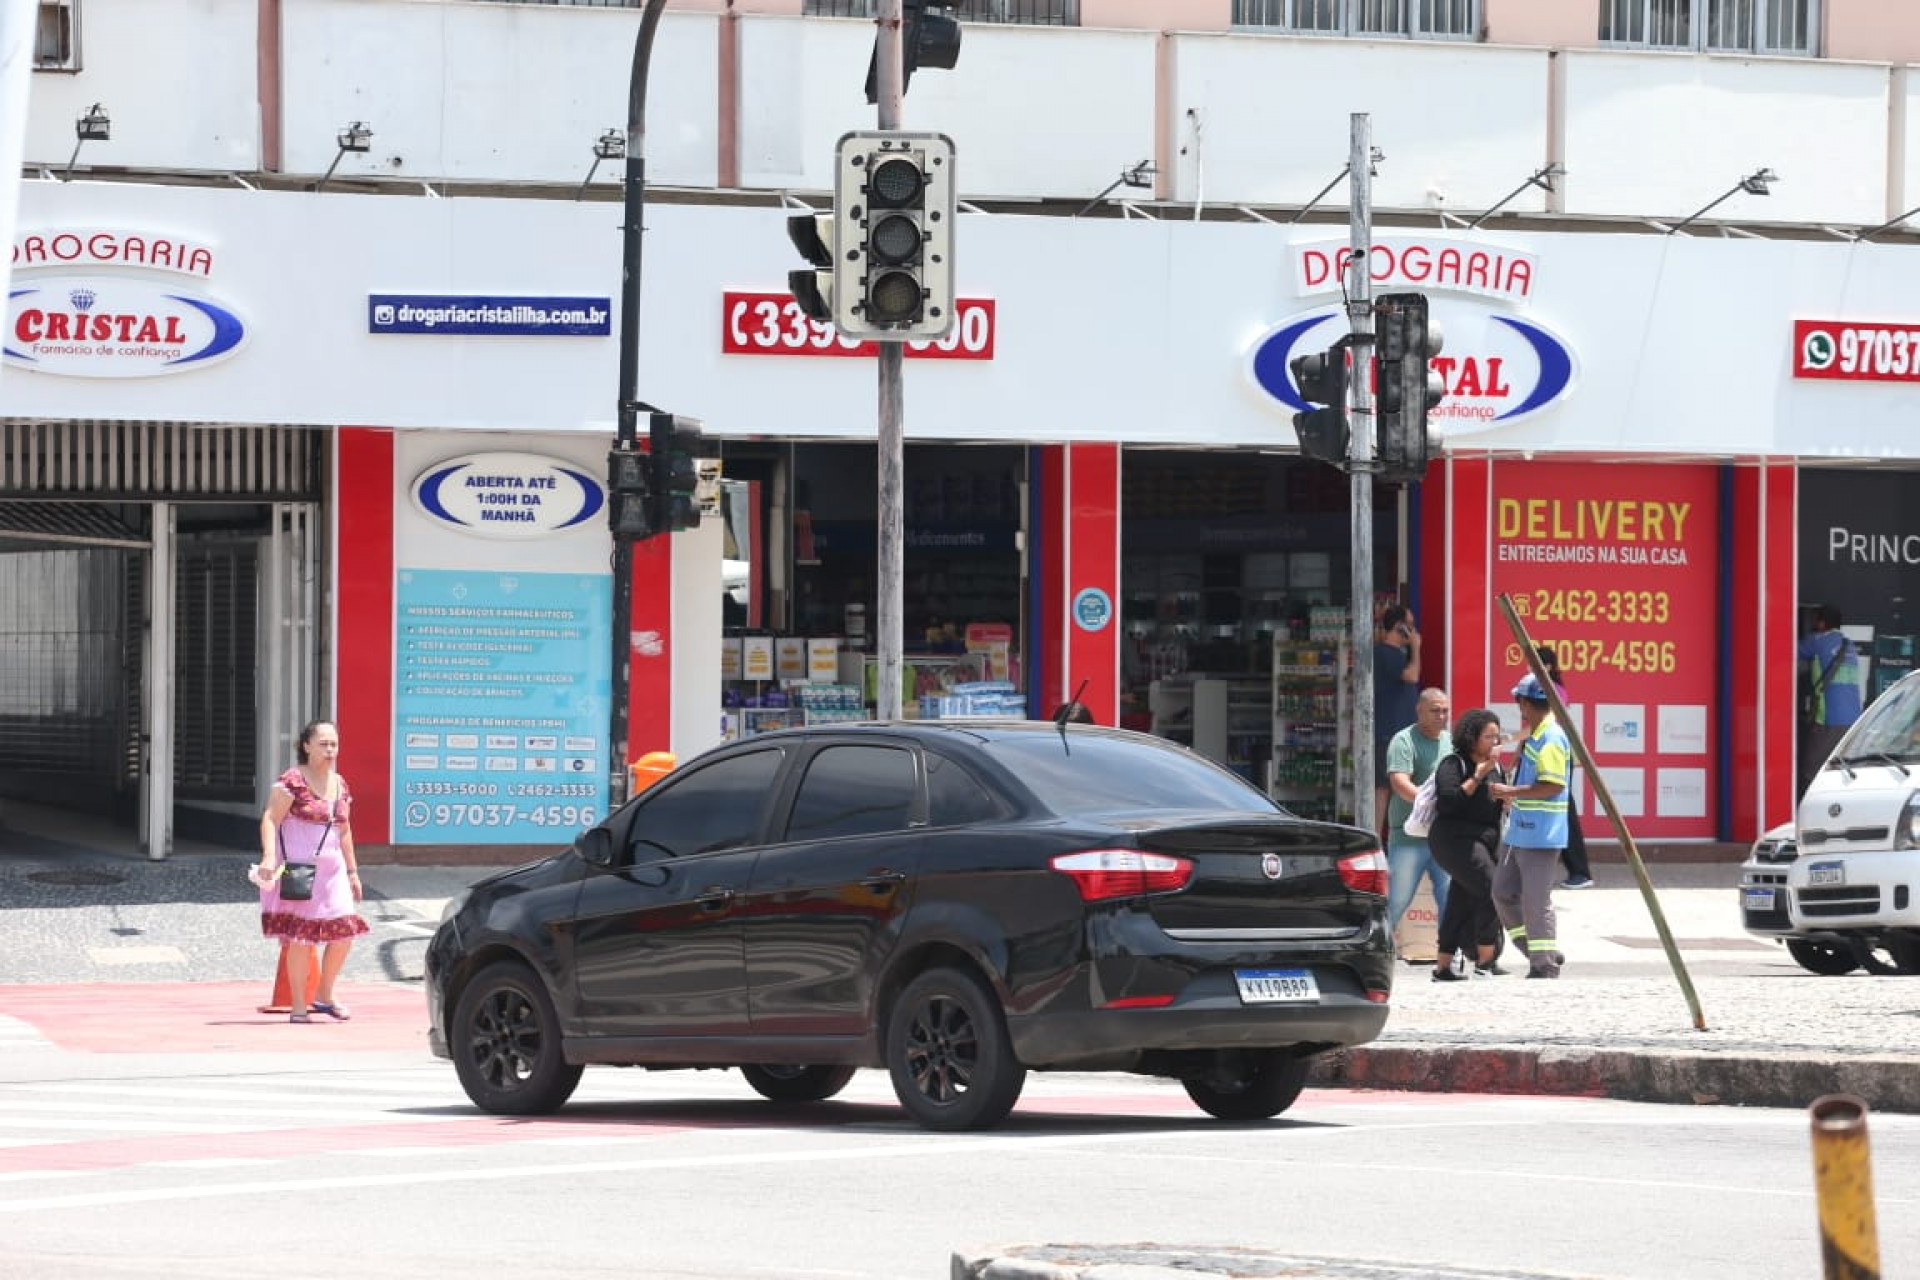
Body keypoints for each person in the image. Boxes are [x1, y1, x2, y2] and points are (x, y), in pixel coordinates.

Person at [255, 720, 368, 1023]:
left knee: (344, 931)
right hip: (299, 869)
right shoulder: (292, 782)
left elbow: (345, 830)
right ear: (306, 746)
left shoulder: (341, 784)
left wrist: (353, 872)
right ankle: (298, 1005)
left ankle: (324, 993)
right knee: (301, 937)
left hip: (333, 871)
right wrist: (269, 858)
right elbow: (269, 818)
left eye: (334, 744)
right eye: (323, 744)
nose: (330, 750)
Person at [1488, 674, 1571, 979]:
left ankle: (1544, 964)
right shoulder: (1535, 734)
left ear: (1523, 703)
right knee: (1503, 892)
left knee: (1536, 901)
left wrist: (1511, 793)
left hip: (1541, 834)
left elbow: (1551, 784)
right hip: (1520, 831)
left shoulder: (1550, 738)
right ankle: (1538, 950)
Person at [1427, 707, 1509, 981]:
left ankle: (1443, 965)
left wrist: (1507, 798)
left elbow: (1496, 809)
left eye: (1498, 737)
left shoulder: (1498, 768)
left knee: (1459, 899)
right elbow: (1448, 802)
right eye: (1489, 737)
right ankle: (1484, 961)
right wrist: (1478, 775)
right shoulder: (1454, 764)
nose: (1495, 743)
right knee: (1491, 888)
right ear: (1472, 737)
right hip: (1453, 839)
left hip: (1483, 842)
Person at [1384, 687, 1451, 949]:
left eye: (1445, 710)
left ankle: (1449, 953)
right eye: (1434, 710)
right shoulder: (1404, 741)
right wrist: (1427, 805)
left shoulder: (1449, 741)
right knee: (1397, 900)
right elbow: (1399, 781)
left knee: (1449, 897)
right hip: (1408, 836)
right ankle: (1379, 951)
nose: (1441, 716)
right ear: (1419, 710)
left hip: (1443, 836)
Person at [1535, 645, 1593, 889]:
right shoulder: (1540, 690)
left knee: (1565, 812)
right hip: (1546, 755)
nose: (1529, 668)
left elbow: (1540, 727)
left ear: (1546, 666)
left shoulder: (1554, 691)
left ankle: (1580, 871)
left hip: (1557, 757)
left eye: (1534, 663)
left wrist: (1509, 739)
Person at [1798, 604, 1862, 798]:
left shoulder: (1817, 641)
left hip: (1829, 719)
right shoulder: (1848, 644)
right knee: (1838, 770)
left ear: (1821, 623)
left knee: (1809, 771)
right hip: (1854, 721)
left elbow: (1785, 651)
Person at [1372, 604, 1423, 835]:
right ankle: (1375, 835)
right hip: (1388, 730)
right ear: (1399, 627)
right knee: (1384, 786)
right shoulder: (1385, 653)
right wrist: (1416, 647)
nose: (1413, 630)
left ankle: (1397, 833)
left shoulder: (1397, 655)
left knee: (1399, 784)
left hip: (1401, 730)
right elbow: (1412, 676)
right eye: (1409, 625)